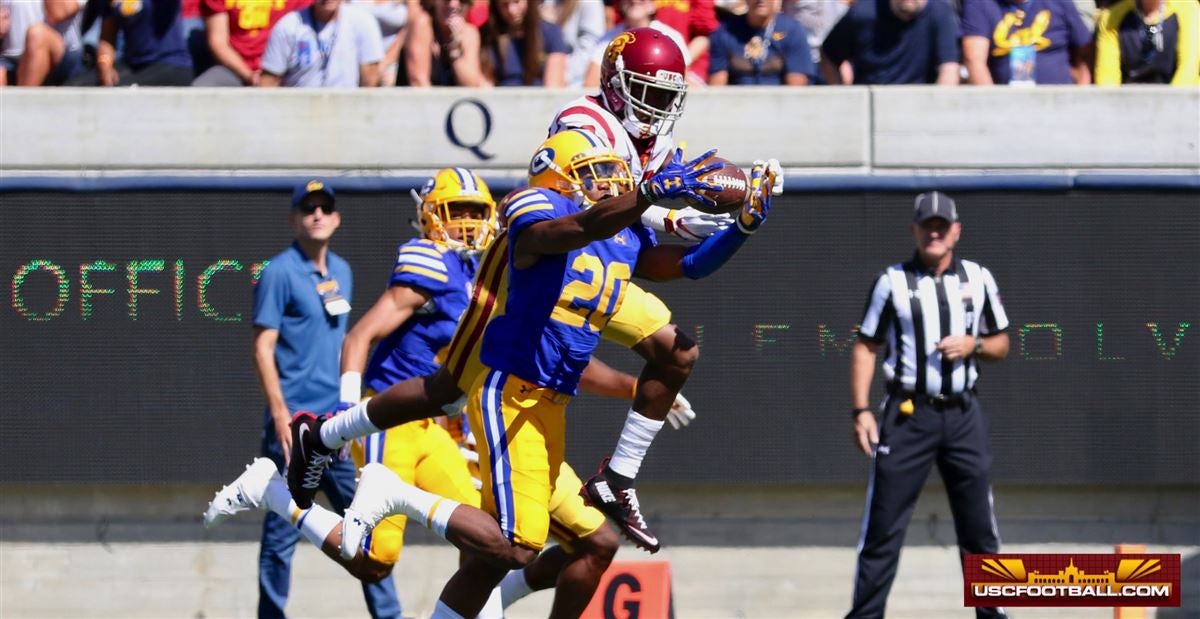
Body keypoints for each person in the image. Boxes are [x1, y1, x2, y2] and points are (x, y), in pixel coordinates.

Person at [340, 129, 774, 619]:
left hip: (550, 400)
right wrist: (648, 194)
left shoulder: (621, 233)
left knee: (532, 553)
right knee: (513, 545)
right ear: (558, 180)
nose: (611, 182)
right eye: (596, 173)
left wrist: (741, 229)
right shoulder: (534, 213)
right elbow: (564, 231)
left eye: (615, 173)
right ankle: (394, 492)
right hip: (508, 392)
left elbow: (689, 263)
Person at [847, 192, 1011, 619]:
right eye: (926, 225)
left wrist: (974, 344)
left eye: (942, 225)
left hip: (962, 414)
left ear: (956, 231)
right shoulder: (892, 282)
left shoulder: (978, 278)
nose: (934, 232)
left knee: (979, 529)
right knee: (883, 529)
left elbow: (1002, 342)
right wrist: (861, 410)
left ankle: (992, 615)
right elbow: (866, 345)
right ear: (914, 231)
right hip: (907, 415)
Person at [251, 180, 402, 619]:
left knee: (367, 527)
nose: (317, 214)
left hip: (336, 426)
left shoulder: (342, 271)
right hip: (294, 427)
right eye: (308, 208)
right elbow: (262, 347)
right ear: (294, 218)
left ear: (336, 218)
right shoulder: (279, 272)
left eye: (325, 208)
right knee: (282, 535)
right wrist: (279, 413)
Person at [820, 0, 960, 86]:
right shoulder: (863, 13)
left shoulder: (940, 14)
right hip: (870, 105)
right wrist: (842, 95)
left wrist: (936, 110)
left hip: (919, 105)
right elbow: (829, 55)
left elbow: (949, 69)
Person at [961, 0, 1092, 85]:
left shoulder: (1059, 3)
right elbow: (974, 60)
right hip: (1005, 105)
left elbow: (1085, 54)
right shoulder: (979, 4)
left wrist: (1081, 97)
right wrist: (992, 106)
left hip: (1061, 103)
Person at [259, 0, 385, 87]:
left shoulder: (363, 22)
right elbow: (268, 81)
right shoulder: (288, 26)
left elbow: (370, 80)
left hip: (347, 111)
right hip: (297, 113)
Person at [68, 0, 194, 86]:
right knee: (73, 88)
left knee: (120, 92)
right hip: (132, 64)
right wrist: (105, 65)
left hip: (171, 64)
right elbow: (107, 37)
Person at [193, 0, 308, 86]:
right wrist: (249, 75)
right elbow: (218, 42)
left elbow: (305, 35)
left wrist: (272, 75)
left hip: (283, 70)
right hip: (235, 70)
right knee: (201, 89)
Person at [708, 0, 816, 85]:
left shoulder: (792, 31)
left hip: (780, 105)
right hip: (738, 105)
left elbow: (796, 90)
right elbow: (717, 87)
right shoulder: (725, 32)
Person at [1094, 0, 1199, 86]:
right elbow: (1107, 80)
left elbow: (1188, 71)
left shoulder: (1188, 9)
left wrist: (1167, 106)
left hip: (1177, 103)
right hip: (1129, 102)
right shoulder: (1111, 19)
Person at [399, 0, 490, 86]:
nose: (454, 4)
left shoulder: (469, 33)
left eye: (462, 0)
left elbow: (470, 84)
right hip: (424, 100)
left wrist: (454, 49)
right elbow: (418, 82)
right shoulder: (422, 24)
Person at [479, 0, 568, 86]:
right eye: (504, 5)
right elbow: (486, 84)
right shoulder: (489, 35)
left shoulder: (551, 32)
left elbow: (554, 85)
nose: (512, 10)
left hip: (539, 98)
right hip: (502, 98)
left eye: (517, 2)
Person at [0, 0, 85, 86]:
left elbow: (58, 12)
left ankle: (25, 97)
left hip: (64, 55)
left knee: (37, 35)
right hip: (9, 57)